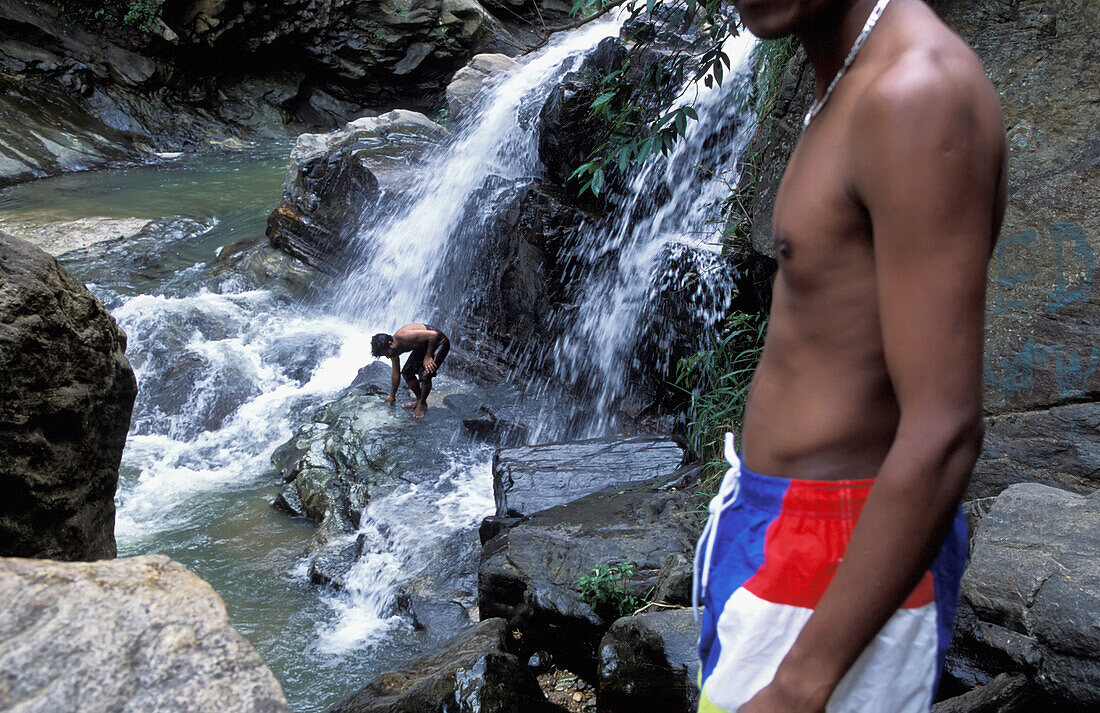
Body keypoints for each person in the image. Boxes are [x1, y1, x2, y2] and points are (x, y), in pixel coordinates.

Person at [694, 1, 1006, 712]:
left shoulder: (916, 94)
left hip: (835, 558)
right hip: (779, 538)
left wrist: (803, 681)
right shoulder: (852, 82)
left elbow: (945, 429)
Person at [370, 324, 450, 418]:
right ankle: (420, 400)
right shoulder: (393, 350)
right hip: (423, 344)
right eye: (385, 355)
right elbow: (396, 373)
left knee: (426, 373)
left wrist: (428, 357)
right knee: (407, 372)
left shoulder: (405, 336)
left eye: (387, 354)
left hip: (438, 341)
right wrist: (392, 395)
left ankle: (421, 405)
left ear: (391, 344)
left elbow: (433, 335)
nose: (388, 357)